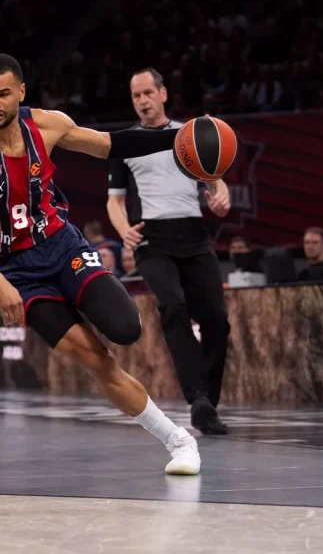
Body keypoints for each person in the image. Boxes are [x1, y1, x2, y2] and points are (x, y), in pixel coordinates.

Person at [0, 53, 201, 475]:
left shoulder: (48, 124)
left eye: (3, 94)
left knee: (126, 328)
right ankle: (179, 441)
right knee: (98, 361)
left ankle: (177, 437)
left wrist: (180, 137)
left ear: (21, 92)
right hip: (16, 272)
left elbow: (111, 144)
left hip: (62, 247)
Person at [106, 68, 230, 435]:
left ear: (162, 94)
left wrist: (222, 197)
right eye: (135, 96)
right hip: (151, 238)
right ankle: (198, 398)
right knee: (173, 306)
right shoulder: (124, 141)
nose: (142, 101)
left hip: (193, 232)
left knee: (216, 321)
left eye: (147, 93)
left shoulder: (189, 134)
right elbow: (114, 202)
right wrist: (122, 229)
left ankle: (208, 401)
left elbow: (216, 178)